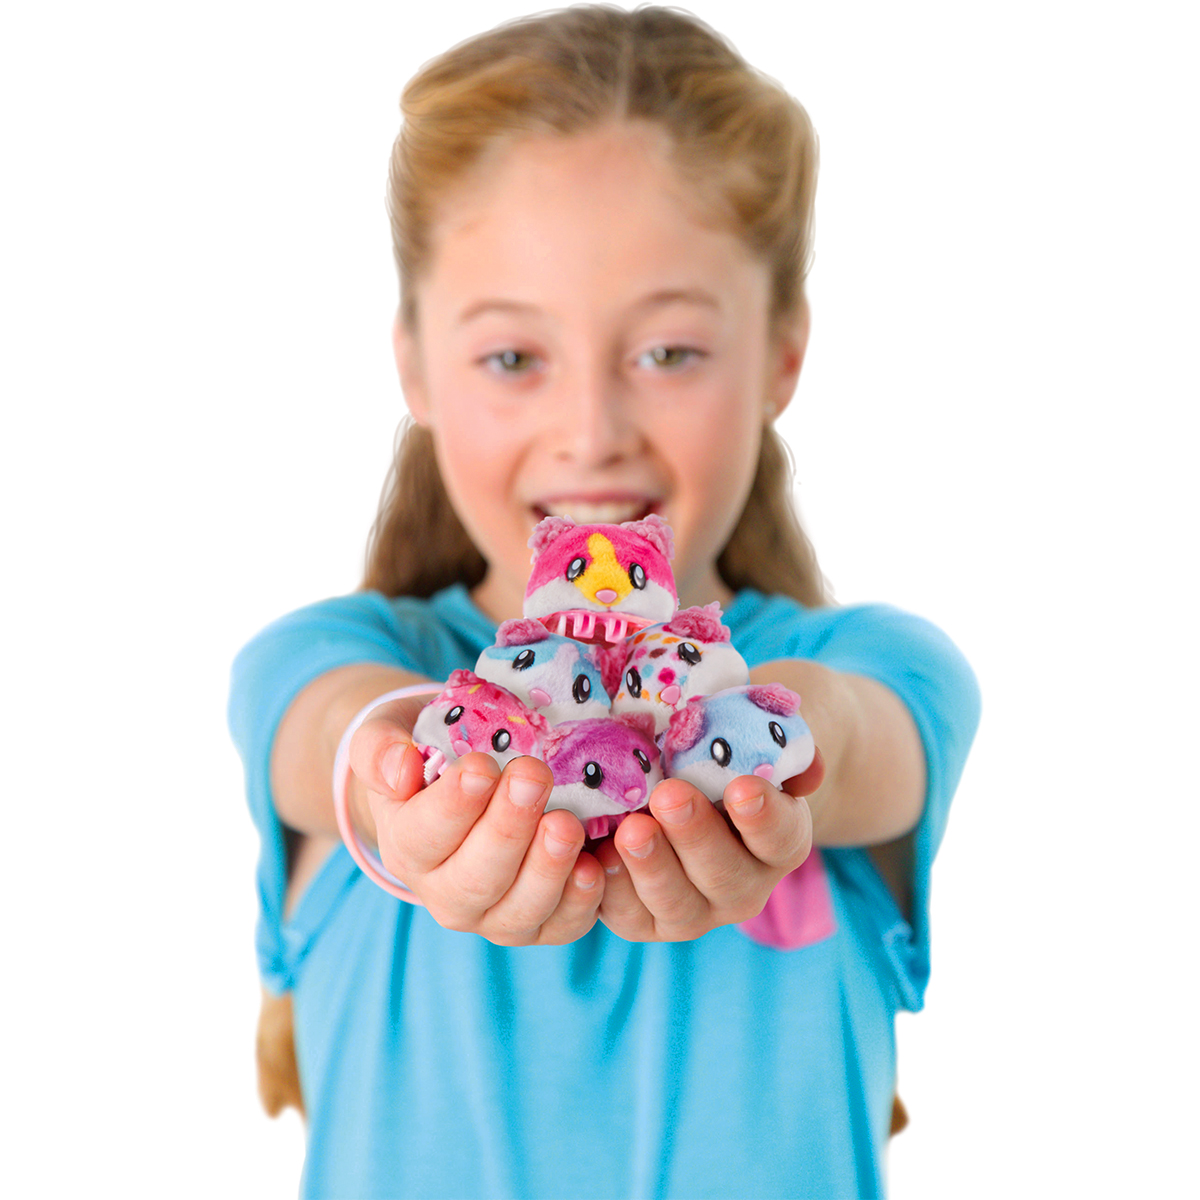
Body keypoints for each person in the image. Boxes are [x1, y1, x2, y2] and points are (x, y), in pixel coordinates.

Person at [229, 7, 980, 1197]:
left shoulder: (887, 667)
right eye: (513, 358)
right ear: (415, 364)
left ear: (783, 352)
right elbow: (335, 730)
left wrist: (775, 744)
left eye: (669, 352)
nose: (591, 432)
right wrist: (403, 775)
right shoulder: (323, 656)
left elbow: (856, 735)